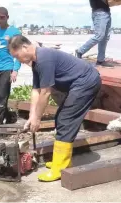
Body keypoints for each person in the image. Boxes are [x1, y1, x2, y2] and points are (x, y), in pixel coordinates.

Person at [8, 35, 101, 182]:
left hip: (86, 81)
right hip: (77, 83)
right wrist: (32, 116)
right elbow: (36, 91)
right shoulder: (36, 62)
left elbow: (45, 93)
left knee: (66, 119)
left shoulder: (44, 58)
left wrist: (38, 119)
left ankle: (60, 168)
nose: (17, 60)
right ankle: (62, 161)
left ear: (24, 47)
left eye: (17, 56)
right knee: (61, 118)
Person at [75, 0, 113, 67]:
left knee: (105, 38)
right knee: (99, 36)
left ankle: (100, 60)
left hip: (107, 12)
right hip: (99, 13)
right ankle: (80, 51)